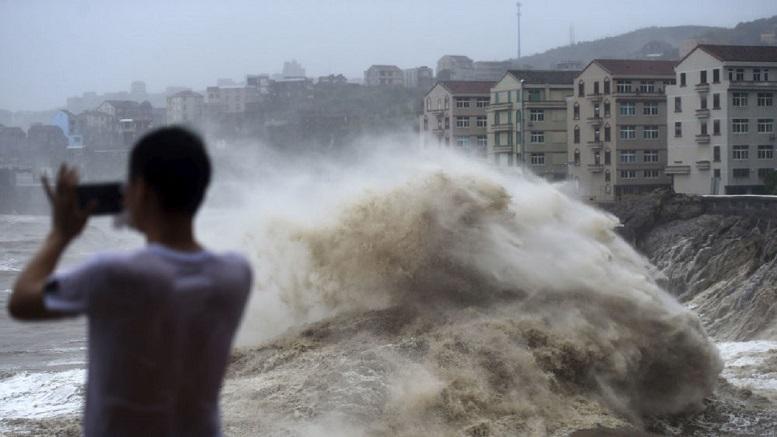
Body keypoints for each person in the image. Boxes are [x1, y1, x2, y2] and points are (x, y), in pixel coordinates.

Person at [8, 127, 252, 437]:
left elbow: (22, 302)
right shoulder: (235, 275)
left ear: (142, 191)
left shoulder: (113, 275)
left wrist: (60, 234)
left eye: (129, 185)